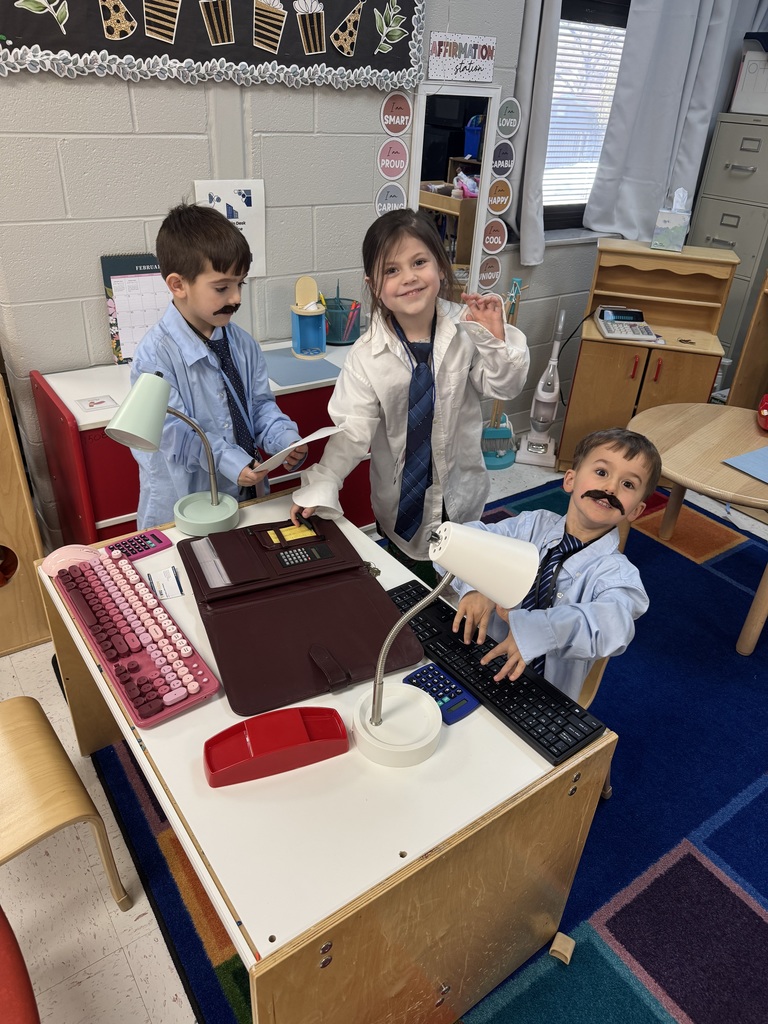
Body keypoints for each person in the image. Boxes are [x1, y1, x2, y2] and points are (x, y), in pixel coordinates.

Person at [290, 209, 530, 577]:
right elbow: (352, 433)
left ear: (440, 266)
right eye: (391, 270)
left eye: (419, 262)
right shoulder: (366, 356)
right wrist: (322, 484)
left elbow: (505, 386)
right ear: (373, 285)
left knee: (460, 583)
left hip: (460, 493)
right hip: (399, 505)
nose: (409, 278)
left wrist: (495, 338)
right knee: (406, 583)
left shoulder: (468, 329)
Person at [441, 427, 662, 701]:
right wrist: (479, 584)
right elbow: (463, 540)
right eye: (602, 472)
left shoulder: (618, 575)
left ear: (637, 510)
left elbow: (614, 627)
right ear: (570, 479)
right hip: (476, 655)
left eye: (628, 484)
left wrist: (534, 631)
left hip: (542, 695)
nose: (610, 488)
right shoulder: (531, 525)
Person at [130, 203, 307, 529]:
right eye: (222, 287)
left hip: (245, 496)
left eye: (241, 284)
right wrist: (229, 460)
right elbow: (175, 433)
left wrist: (284, 438)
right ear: (178, 285)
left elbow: (258, 407)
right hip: (186, 508)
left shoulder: (243, 344)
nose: (237, 297)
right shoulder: (155, 357)